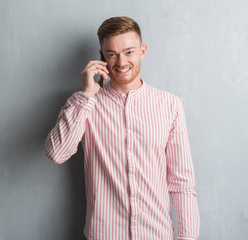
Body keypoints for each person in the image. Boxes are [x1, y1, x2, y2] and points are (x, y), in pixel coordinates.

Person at [44, 16, 200, 240]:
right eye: (112, 54)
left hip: (156, 234)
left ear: (142, 51)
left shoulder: (170, 105)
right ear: (101, 56)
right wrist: (87, 94)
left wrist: (187, 238)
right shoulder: (85, 104)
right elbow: (56, 153)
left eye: (129, 52)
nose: (121, 61)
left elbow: (182, 183)